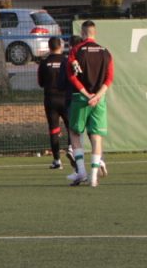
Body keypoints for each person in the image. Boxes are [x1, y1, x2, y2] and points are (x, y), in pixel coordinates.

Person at [66, 20, 114, 188]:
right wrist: (97, 96)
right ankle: (93, 177)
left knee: (74, 133)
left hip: (80, 99)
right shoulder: (105, 52)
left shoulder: (76, 51)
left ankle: (81, 171)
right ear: (95, 33)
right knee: (96, 137)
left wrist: (87, 95)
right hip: (99, 100)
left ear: (83, 33)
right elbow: (109, 78)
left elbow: (71, 76)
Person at [36, 36, 73, 170]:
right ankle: (71, 149)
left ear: (49, 47)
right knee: (71, 127)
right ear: (60, 46)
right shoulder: (66, 61)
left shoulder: (44, 63)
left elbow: (40, 83)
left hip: (50, 100)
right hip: (65, 99)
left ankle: (57, 160)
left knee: (54, 130)